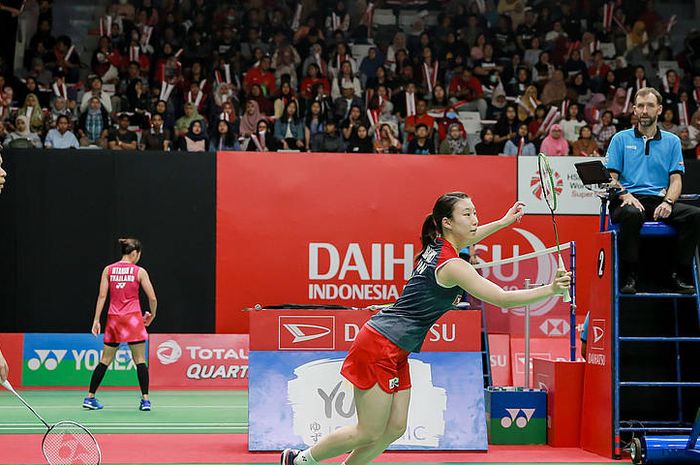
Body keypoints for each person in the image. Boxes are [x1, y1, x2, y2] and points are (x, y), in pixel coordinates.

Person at [281, 193, 571, 465]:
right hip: (380, 345)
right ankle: (299, 460)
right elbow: (502, 298)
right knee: (368, 431)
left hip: (395, 348)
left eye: (475, 213)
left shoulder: (439, 245)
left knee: (394, 428)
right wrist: (551, 289)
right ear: (447, 222)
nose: (474, 220)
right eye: (467, 214)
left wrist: (505, 222)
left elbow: (472, 235)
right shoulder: (453, 265)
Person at [606, 87, 700, 294]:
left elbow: (676, 181)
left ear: (659, 109)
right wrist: (625, 194)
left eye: (649, 105)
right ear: (634, 110)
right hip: (626, 200)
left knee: (695, 215)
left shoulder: (672, 141)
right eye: (640, 106)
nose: (645, 110)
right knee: (631, 213)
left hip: (657, 201)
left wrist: (668, 202)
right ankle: (629, 275)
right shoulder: (620, 139)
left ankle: (680, 274)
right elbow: (611, 179)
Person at [84, 238, 157, 411]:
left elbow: (102, 296)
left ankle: (90, 397)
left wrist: (96, 320)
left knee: (105, 360)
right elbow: (152, 298)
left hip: (114, 319)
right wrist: (152, 315)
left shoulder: (108, 270)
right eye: (139, 254)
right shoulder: (139, 271)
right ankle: (145, 400)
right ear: (134, 253)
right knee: (140, 360)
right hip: (133, 319)